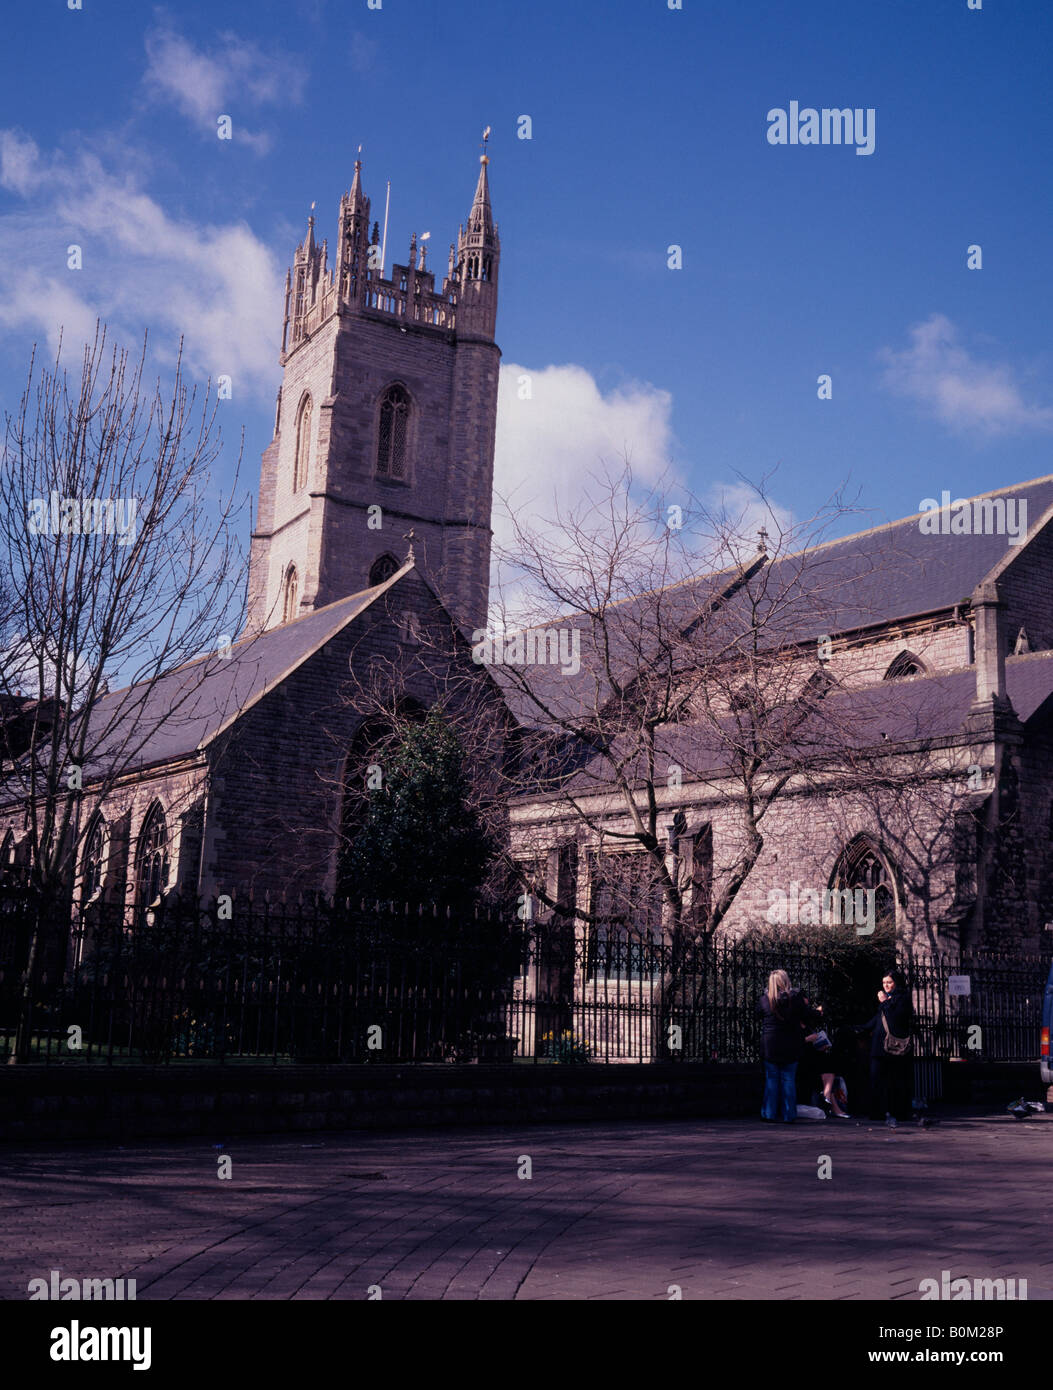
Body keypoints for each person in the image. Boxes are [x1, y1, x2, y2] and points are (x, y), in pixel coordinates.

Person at [756, 969, 821, 1123]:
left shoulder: (765, 1000)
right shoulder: (795, 999)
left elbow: (758, 1014)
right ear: (785, 981)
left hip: (770, 1044)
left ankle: (769, 1114)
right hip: (791, 1044)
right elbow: (807, 1015)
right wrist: (818, 1013)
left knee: (771, 1080)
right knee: (788, 1080)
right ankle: (789, 1114)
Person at [857, 968, 914, 1127]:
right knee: (876, 1079)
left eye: (889, 982)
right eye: (884, 983)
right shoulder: (888, 999)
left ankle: (898, 1111)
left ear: (896, 983)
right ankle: (877, 1111)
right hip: (879, 1045)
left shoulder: (902, 998)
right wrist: (860, 1028)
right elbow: (879, 1019)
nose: (886, 986)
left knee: (895, 1080)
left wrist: (884, 1002)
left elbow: (896, 1018)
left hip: (895, 1047)